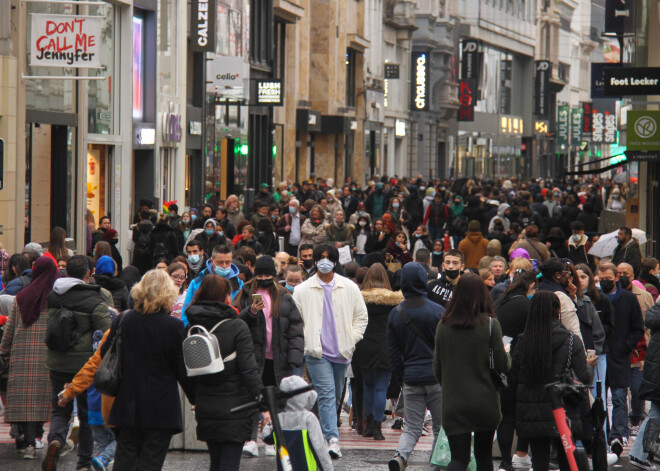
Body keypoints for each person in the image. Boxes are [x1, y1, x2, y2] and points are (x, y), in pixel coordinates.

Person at [100, 269, 192, 469]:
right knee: (150, 462)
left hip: (127, 401)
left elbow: (105, 355)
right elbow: (182, 369)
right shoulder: (174, 327)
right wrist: (196, 400)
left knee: (125, 458)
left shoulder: (124, 320)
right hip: (161, 405)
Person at [185, 274, 268, 470]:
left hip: (206, 404)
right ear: (226, 297)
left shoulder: (192, 327)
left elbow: (185, 369)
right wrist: (264, 403)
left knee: (215, 462)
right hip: (236, 406)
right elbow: (249, 370)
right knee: (230, 464)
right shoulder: (237, 326)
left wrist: (195, 398)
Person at [292, 244, 368, 459]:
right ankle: (332, 439)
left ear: (335, 261)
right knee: (326, 394)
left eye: (328, 258)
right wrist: (307, 340)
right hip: (316, 353)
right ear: (315, 261)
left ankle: (321, 431)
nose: (324, 262)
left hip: (343, 352)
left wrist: (352, 339)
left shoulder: (349, 287)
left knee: (335, 397)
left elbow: (361, 317)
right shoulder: (302, 289)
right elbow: (296, 322)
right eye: (320, 258)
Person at [510, 291, 595, 471]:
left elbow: (515, 376)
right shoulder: (571, 339)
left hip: (531, 409)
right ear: (558, 310)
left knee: (539, 460)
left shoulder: (523, 341)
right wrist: (589, 365)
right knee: (566, 457)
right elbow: (584, 376)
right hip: (562, 407)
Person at [42, 255, 112, 471]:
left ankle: (55, 440)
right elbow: (107, 334)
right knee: (86, 414)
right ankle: (83, 462)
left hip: (57, 361)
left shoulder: (53, 297)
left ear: (66, 272)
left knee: (59, 408)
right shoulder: (94, 300)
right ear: (88, 273)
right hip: (84, 366)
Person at [435, 272, 510, 471]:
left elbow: (437, 368)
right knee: (484, 457)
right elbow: (502, 364)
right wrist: (507, 354)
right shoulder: (491, 324)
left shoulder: (444, 325)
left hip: (454, 401)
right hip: (484, 401)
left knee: (459, 459)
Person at [233, 256, 304, 457]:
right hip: (253, 355)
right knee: (253, 396)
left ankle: (273, 439)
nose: (263, 278)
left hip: (278, 357)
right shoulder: (246, 293)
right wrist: (250, 312)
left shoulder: (284, 296)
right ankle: (250, 439)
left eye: (267, 275)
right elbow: (235, 321)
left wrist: (294, 356)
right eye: (260, 275)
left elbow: (295, 327)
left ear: (274, 275)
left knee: (276, 399)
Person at [387, 262, 445, 471]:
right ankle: (435, 465)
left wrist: (403, 377)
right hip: (437, 378)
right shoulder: (438, 311)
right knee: (439, 427)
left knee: (411, 427)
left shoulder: (396, 313)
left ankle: (400, 456)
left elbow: (394, 352)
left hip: (411, 377)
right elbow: (445, 346)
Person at [0, 257, 59, 459]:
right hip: (46, 355)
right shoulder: (54, 299)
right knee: (40, 399)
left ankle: (23, 441)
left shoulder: (22, 297)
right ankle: (35, 439)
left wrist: (4, 351)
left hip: (21, 354)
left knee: (23, 400)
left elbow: (9, 330)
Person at [597, 262, 644, 456]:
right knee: (599, 398)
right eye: (601, 280)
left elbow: (637, 328)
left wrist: (626, 346)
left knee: (618, 397)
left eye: (608, 279)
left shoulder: (629, 299)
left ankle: (617, 435)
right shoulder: (595, 298)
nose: (605, 283)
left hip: (619, 354)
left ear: (616, 277)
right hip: (600, 354)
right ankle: (603, 434)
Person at [353, 264, 403, 439]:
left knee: (367, 385)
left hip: (364, 344)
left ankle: (367, 424)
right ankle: (378, 428)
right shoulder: (394, 301)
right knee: (381, 386)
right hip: (385, 345)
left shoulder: (359, 298)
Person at [494, 269, 536, 471]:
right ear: (530, 286)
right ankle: (520, 454)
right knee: (523, 414)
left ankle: (504, 461)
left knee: (506, 416)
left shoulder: (501, 302)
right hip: (522, 366)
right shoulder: (527, 305)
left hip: (501, 365)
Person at [617, 262, 653, 431]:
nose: (622, 276)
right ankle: (623, 423)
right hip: (621, 349)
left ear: (632, 277)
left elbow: (651, 324)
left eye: (625, 273)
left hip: (641, 351)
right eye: (619, 273)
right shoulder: (613, 295)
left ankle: (636, 418)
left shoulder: (644, 296)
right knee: (620, 391)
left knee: (638, 389)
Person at [629, 302, 660, 469]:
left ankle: (639, 453)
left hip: (655, 372)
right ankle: (640, 454)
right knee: (655, 414)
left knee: (655, 413)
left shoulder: (655, 315)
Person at [181, 245, 244, 325]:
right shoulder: (197, 283)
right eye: (220, 262)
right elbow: (186, 312)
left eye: (228, 262)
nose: (224, 266)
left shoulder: (239, 284)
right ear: (212, 261)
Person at [537, 258, 583, 342]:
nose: (568, 277)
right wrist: (580, 351)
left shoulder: (537, 290)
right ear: (557, 275)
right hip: (561, 345)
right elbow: (572, 328)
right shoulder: (560, 296)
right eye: (566, 273)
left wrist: (572, 298)